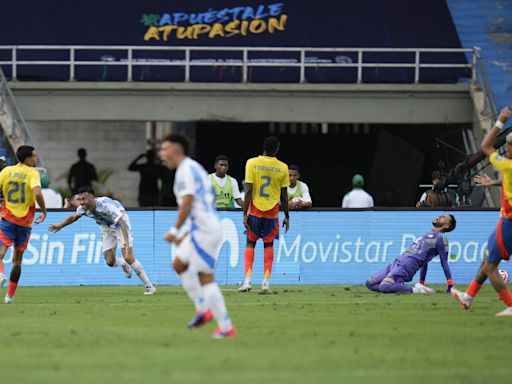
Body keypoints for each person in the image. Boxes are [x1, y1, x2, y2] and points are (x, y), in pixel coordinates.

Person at [159, 134, 236, 338]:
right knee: (179, 264)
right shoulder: (190, 168)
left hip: (205, 230)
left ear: (176, 150)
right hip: (198, 228)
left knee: (206, 277)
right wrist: (186, 233)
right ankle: (203, 309)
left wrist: (175, 230)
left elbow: (188, 201)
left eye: (164, 149)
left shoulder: (186, 171)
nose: (161, 154)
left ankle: (226, 327)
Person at [451, 107, 512, 317]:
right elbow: (507, 183)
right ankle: (467, 297)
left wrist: (500, 122)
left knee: (490, 266)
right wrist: (493, 182)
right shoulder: (508, 170)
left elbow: (485, 145)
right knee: (487, 261)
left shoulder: (507, 165)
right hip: (505, 221)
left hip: (508, 222)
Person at [48, 187, 156, 295]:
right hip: (106, 227)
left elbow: (121, 221)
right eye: (79, 199)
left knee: (128, 257)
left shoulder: (105, 205)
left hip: (120, 224)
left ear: (91, 198)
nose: (81, 202)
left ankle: (149, 286)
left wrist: (126, 242)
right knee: (110, 261)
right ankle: (122, 263)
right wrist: (60, 226)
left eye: (83, 199)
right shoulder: (82, 208)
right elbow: (73, 217)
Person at [240, 136, 290, 294]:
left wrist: (245, 213)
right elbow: (284, 196)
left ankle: (247, 281)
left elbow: (248, 190)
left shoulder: (252, 163)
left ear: (263, 147)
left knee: (250, 243)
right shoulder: (282, 167)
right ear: (277, 149)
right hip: (272, 212)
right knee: (269, 245)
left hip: (255, 210)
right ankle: (266, 283)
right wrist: (287, 216)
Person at [0, 145, 46, 303]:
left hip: (7, 218)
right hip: (25, 223)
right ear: (27, 159)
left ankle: (0, 275)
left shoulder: (6, 171)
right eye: (34, 156)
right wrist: (44, 211)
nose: (35, 158)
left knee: (1, 251)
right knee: (17, 261)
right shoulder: (32, 173)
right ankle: (9, 296)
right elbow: (38, 193)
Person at [366, 215, 456, 294]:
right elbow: (425, 262)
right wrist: (421, 282)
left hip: (407, 266)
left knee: (383, 287)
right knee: (369, 283)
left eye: (444, 217)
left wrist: (450, 283)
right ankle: (399, 286)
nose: (440, 216)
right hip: (396, 262)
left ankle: (415, 290)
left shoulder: (441, 239)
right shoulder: (427, 234)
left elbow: (444, 262)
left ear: (447, 225)